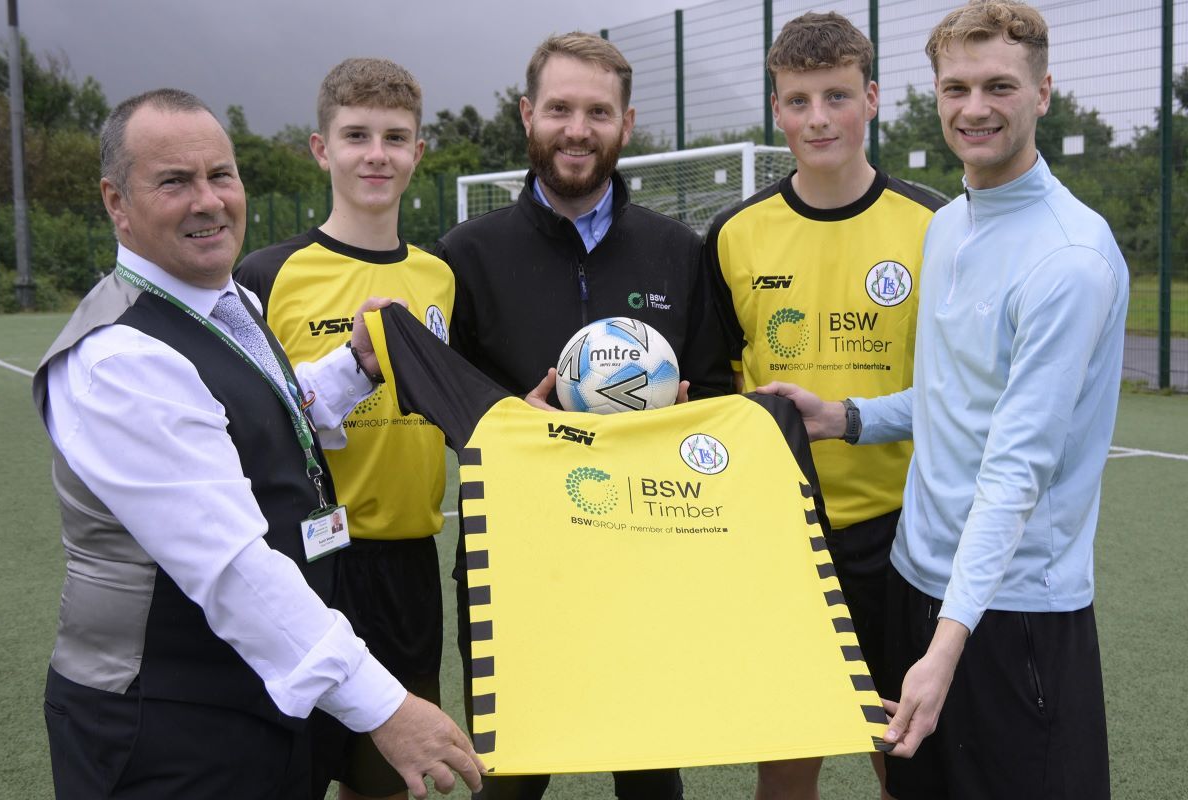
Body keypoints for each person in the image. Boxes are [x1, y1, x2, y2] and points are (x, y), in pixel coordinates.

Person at [32, 88, 483, 800]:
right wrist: (384, 705)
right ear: (117, 201)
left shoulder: (221, 301)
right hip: (164, 721)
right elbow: (231, 565)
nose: (208, 201)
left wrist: (355, 367)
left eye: (221, 175)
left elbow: (260, 421)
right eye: (174, 182)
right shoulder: (121, 357)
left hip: (255, 694)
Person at [760, 3, 1127, 798]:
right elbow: (955, 398)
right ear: (933, 95)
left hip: (1013, 611)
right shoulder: (951, 224)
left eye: (999, 85)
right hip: (916, 580)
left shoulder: (1068, 259)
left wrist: (948, 645)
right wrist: (846, 419)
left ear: (1043, 92)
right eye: (955, 87)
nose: (975, 108)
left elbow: (1016, 467)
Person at [433, 31, 730, 800]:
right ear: (528, 116)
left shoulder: (678, 251)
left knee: (651, 774)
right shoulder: (464, 255)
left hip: (645, 550)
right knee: (511, 778)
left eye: (598, 111)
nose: (577, 129)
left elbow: (719, 392)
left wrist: (684, 419)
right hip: (515, 555)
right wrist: (509, 420)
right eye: (560, 108)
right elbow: (439, 402)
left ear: (626, 125)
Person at [702, 12, 943, 799]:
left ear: (871, 98)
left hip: (901, 534)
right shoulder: (735, 233)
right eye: (798, 100)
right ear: (777, 110)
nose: (817, 119)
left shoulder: (937, 226)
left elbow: (958, 390)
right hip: (783, 535)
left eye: (836, 96)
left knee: (900, 749)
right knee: (787, 754)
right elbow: (713, 388)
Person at [235, 58, 454, 800]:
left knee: (389, 779)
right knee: (285, 771)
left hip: (407, 565)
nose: (377, 154)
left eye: (396, 137)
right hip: (306, 563)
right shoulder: (269, 273)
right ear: (321, 149)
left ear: (418, 153)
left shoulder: (439, 276)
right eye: (356, 135)